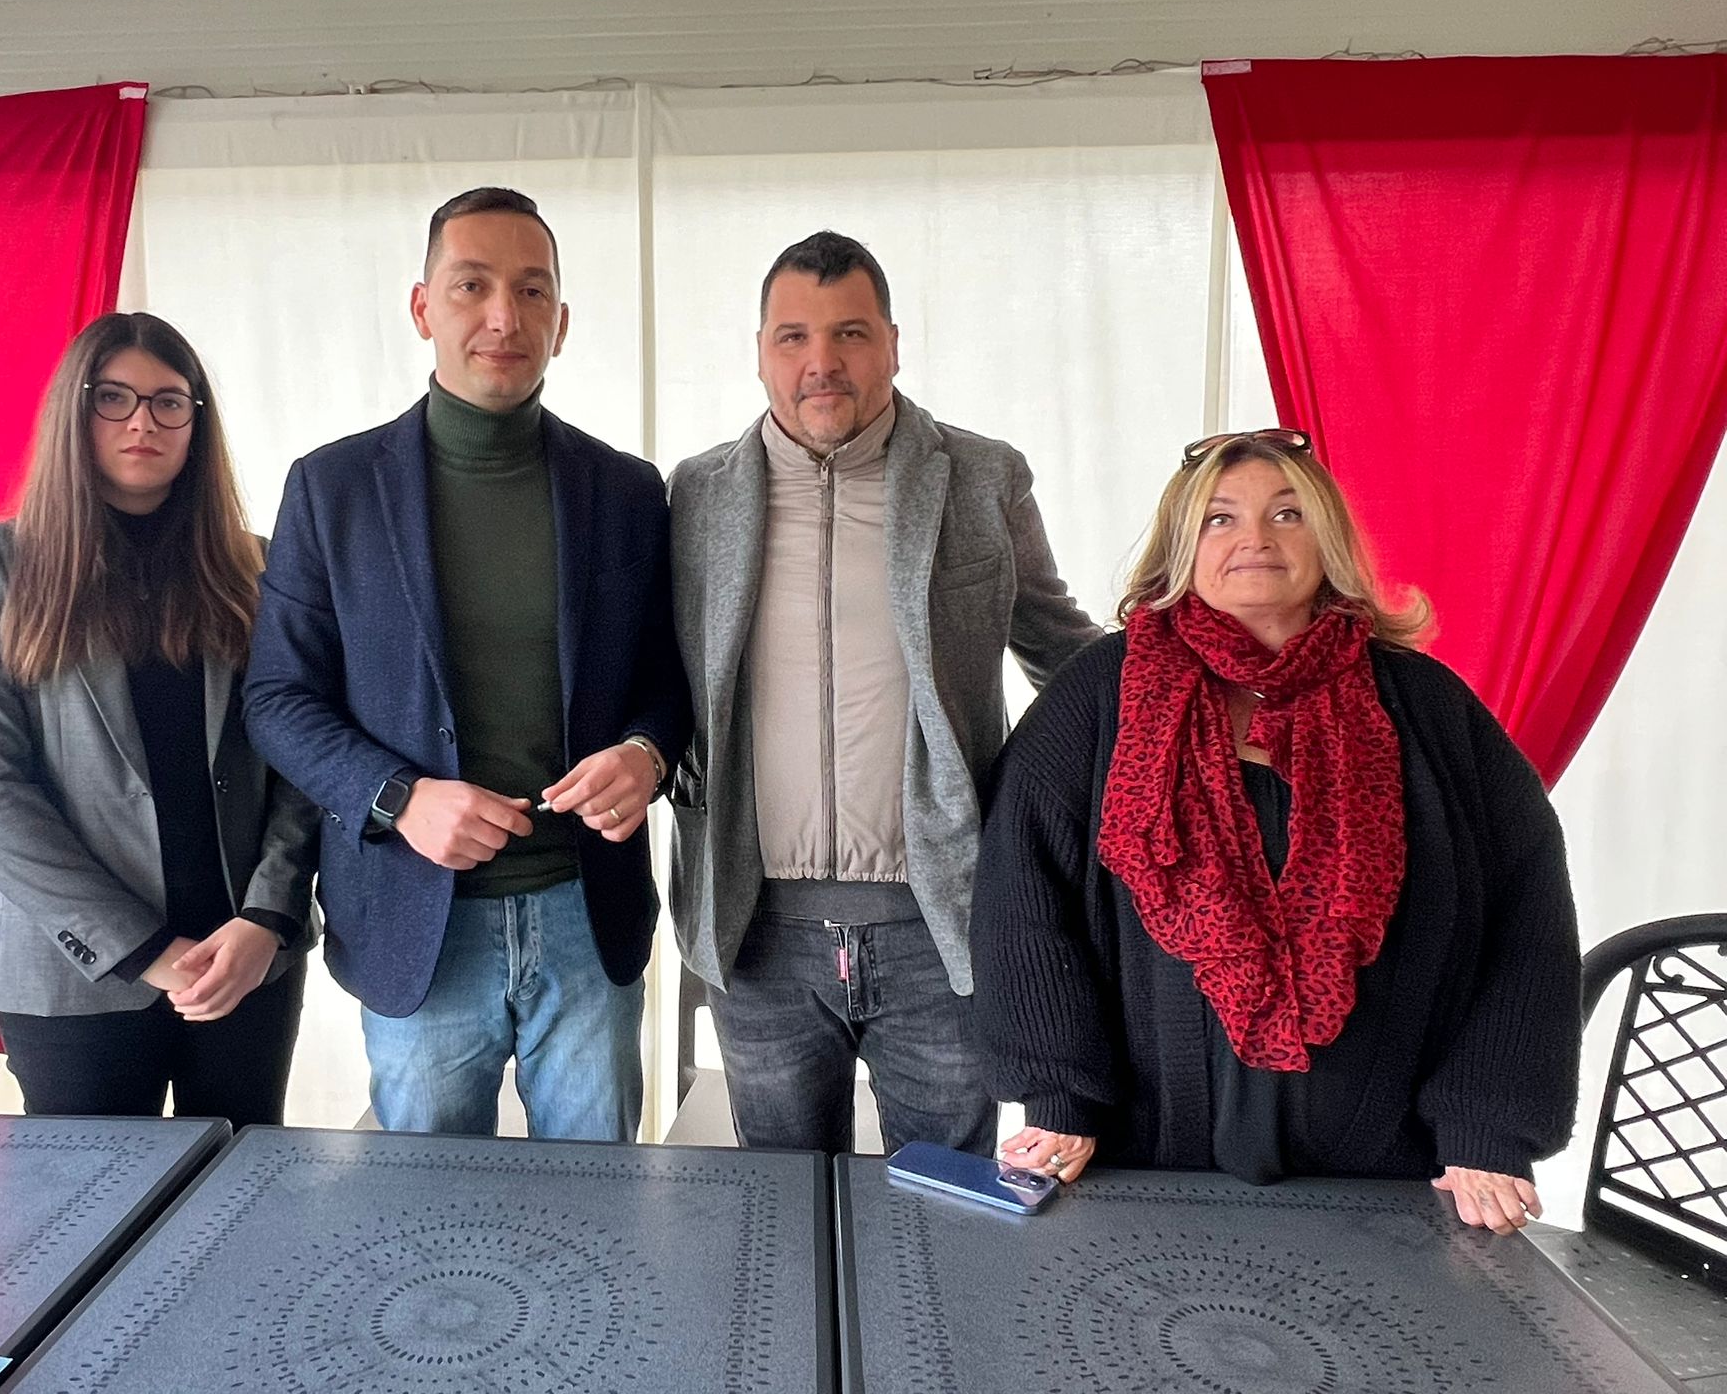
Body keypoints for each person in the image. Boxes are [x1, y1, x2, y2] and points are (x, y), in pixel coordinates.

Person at [971, 428, 1582, 1232]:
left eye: (1287, 514)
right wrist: (1059, 1096)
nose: (1255, 538)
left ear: (1327, 539)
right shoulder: (1097, 697)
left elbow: (1527, 914)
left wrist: (1489, 1129)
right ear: (1182, 547)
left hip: (1394, 1179)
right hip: (1138, 1169)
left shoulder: (1424, 705)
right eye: (1220, 518)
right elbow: (1021, 901)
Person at [244, 187, 690, 1141]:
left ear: (561, 321)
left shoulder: (625, 490)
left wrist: (647, 754)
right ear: (422, 308)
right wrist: (398, 797)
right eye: (472, 285)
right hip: (418, 922)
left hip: (586, 915)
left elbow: (666, 678)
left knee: (597, 1207)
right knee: (431, 1218)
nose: (503, 317)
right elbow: (277, 699)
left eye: (532, 291)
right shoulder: (332, 489)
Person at [666, 231, 1098, 1155]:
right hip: (757, 930)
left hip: (937, 924)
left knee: (940, 1202)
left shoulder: (982, 478)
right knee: (779, 1203)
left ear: (893, 345)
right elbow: (662, 676)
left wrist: (1196, 685)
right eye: (793, 337)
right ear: (760, 353)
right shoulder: (697, 494)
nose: (821, 362)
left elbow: (1062, 651)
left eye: (850, 334)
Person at [0, 311, 318, 1124]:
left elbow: (303, 758)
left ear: (196, 424)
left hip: (242, 964)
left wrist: (269, 917)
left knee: (245, 1188)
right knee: (88, 1202)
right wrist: (142, 950)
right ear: (73, 413)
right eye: (113, 398)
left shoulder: (258, 569)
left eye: (169, 402)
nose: (143, 421)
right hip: (73, 979)